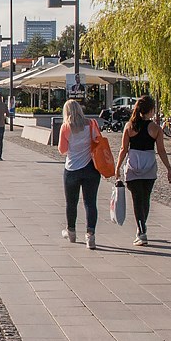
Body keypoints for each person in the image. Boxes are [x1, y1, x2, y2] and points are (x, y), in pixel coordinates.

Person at [117, 95, 171, 247]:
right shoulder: (156, 129)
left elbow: (123, 149)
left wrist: (117, 167)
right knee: (145, 198)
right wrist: (168, 168)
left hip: (133, 165)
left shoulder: (130, 126)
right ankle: (141, 228)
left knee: (137, 199)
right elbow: (161, 150)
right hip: (149, 166)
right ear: (151, 110)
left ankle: (141, 232)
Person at [58, 95, 105, 249]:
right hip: (91, 168)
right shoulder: (92, 124)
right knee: (90, 203)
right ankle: (90, 235)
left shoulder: (66, 127)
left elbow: (62, 150)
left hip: (72, 169)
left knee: (71, 202)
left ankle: (71, 231)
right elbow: (98, 141)